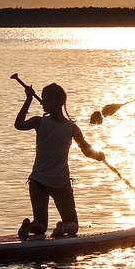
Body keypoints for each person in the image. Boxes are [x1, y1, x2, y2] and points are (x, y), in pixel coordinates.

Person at [14, 82, 104, 239]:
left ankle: (30, 226)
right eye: (41, 99)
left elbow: (19, 124)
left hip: (38, 181)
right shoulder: (72, 128)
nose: (42, 103)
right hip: (60, 183)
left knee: (41, 227)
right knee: (73, 225)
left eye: (45, 100)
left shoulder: (39, 122)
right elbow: (86, 151)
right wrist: (99, 156)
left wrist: (28, 99)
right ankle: (63, 227)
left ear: (56, 102)